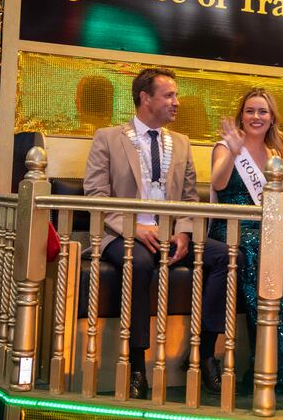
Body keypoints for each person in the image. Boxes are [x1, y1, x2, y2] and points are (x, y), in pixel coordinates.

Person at [84, 67, 229, 398]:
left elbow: (190, 199)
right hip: (120, 234)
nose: (176, 102)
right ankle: (137, 366)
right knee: (140, 263)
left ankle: (203, 354)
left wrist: (184, 233)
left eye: (176, 95)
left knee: (224, 256)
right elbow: (94, 196)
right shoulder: (108, 137)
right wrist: (134, 228)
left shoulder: (181, 142)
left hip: (171, 236)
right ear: (145, 98)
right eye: (169, 95)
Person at [208, 88, 283, 393]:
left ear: (272, 118)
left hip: (266, 230)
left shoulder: (276, 156)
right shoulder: (225, 146)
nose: (256, 117)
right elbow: (218, 183)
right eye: (250, 111)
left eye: (262, 111)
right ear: (241, 116)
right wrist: (234, 152)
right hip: (232, 229)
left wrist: (272, 226)